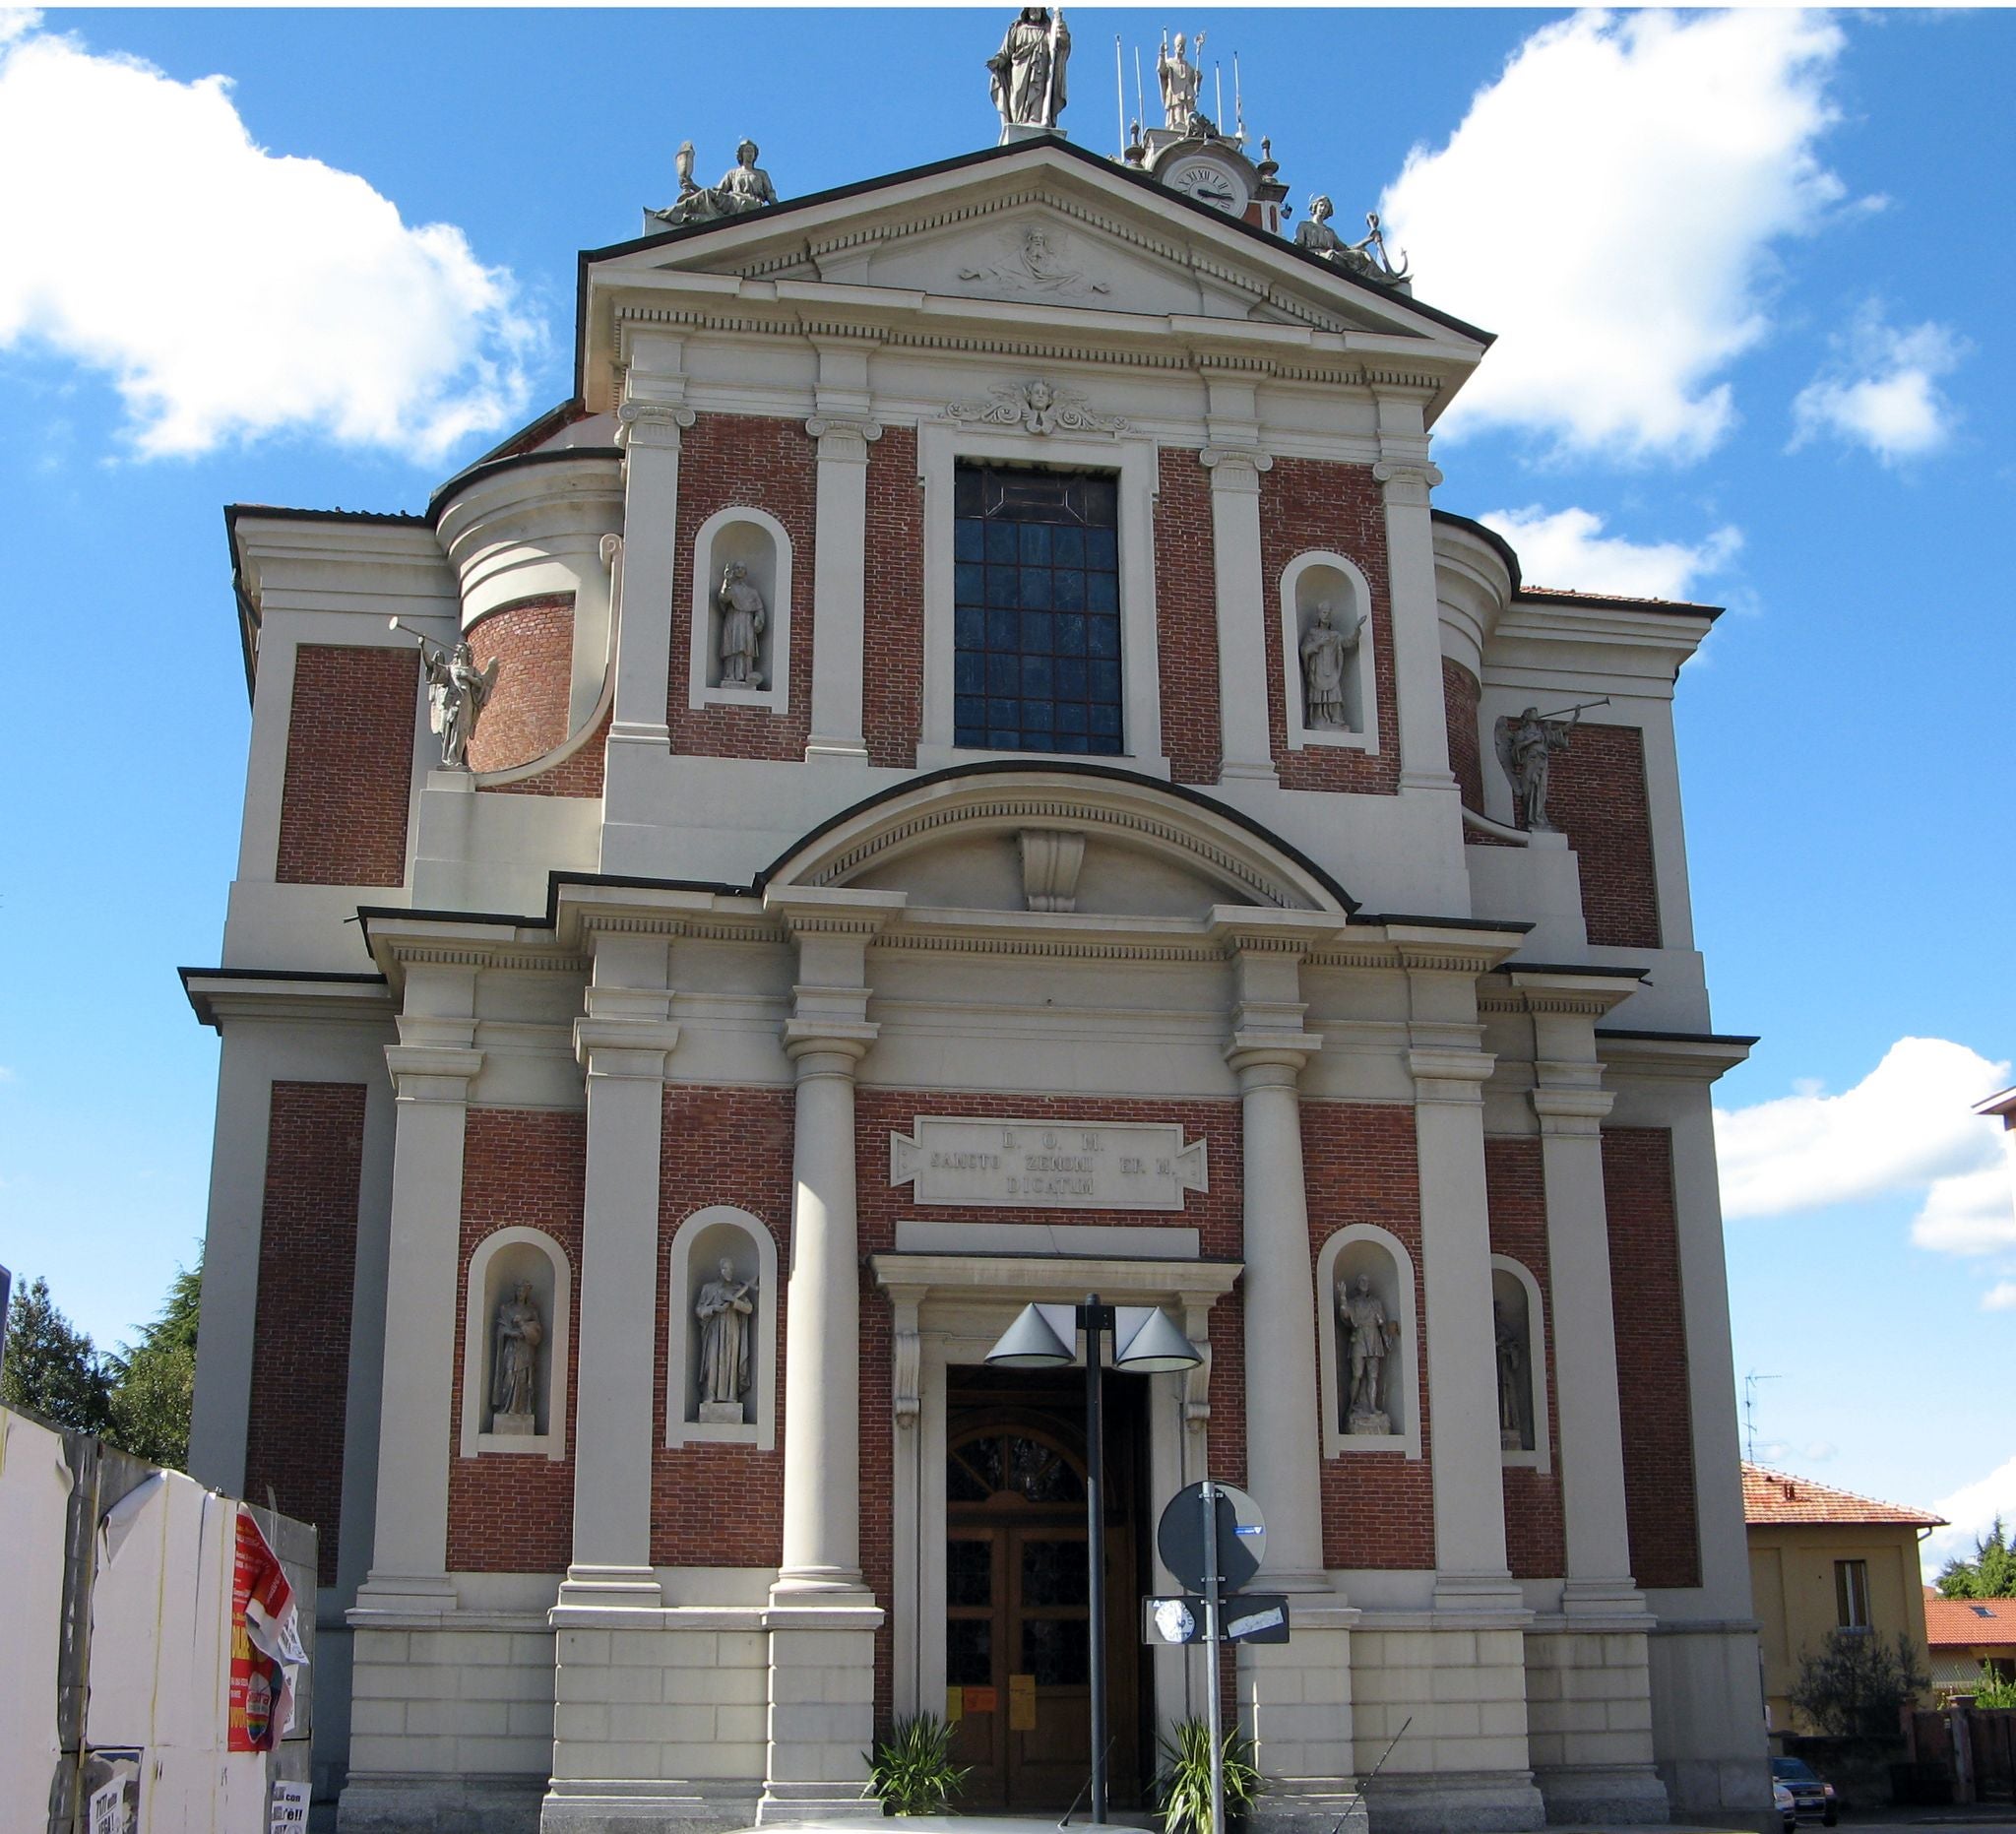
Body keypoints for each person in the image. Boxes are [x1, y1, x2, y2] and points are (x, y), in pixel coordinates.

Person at [988, 7, 1068, 132]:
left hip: (1041, 68)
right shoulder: (1017, 28)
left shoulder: (1049, 29)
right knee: (1018, 94)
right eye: (1032, 8)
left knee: (1038, 94)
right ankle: (1018, 121)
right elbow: (1006, 50)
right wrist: (998, 60)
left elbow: (1062, 43)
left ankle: (1035, 119)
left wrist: (1059, 23)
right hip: (1020, 67)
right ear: (1027, 10)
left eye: (1038, 8)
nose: (1035, 11)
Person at [1499, 705, 1578, 832]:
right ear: (1527, 716)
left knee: (1541, 791)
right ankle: (1531, 819)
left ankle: (1539, 817)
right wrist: (1533, 740)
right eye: (1533, 712)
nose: (1536, 714)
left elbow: (1561, 732)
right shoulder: (1521, 733)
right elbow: (1516, 749)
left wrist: (1575, 717)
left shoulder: (1543, 733)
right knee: (1528, 792)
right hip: (1530, 763)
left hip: (1542, 763)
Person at [425, 639, 498, 769]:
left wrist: (468, 678)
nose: (458, 649)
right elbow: (432, 666)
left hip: (466, 703)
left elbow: (481, 684)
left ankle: (457, 758)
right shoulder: (451, 669)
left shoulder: (472, 670)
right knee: (449, 729)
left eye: (461, 648)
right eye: (457, 648)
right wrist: (423, 647)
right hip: (452, 702)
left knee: (462, 730)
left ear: (467, 652)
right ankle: (451, 759)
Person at [695, 1258, 758, 1405]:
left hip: (732, 1327)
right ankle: (709, 1395)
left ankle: (731, 1395)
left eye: (730, 1269)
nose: (728, 1272)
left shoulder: (737, 1289)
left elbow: (749, 1308)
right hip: (714, 1328)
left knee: (731, 1360)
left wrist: (735, 1302)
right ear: (719, 1270)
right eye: (725, 1269)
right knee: (713, 1359)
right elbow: (699, 1310)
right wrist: (715, 1308)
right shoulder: (708, 1288)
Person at [1299, 601, 1362, 728]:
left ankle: (1335, 719)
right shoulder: (1312, 633)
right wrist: (1318, 644)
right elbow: (1305, 650)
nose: (1326, 615)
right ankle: (1318, 718)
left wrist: (1356, 630)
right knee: (1318, 695)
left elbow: (1348, 642)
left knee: (1334, 694)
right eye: (1324, 612)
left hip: (1332, 670)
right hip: (1317, 670)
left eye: (1328, 613)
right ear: (1319, 614)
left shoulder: (1335, 636)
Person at [1340, 1273, 1394, 1421]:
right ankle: (1351, 1406)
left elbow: (1382, 1323)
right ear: (1357, 1284)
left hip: (1374, 1337)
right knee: (1357, 1374)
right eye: (1361, 1280)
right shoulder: (1353, 1302)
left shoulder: (1376, 1303)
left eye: (1366, 1281)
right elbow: (1345, 1314)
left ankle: (1372, 1407)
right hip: (1359, 1336)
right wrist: (1343, 1296)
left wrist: (1386, 1338)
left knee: (1373, 1376)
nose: (1365, 1283)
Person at [491, 1282, 543, 1419]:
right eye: (519, 1291)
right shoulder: (507, 1308)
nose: (520, 1293)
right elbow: (501, 1328)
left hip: (526, 1350)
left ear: (527, 1293)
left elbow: (537, 1331)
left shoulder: (531, 1311)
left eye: (523, 1291)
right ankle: (506, 1406)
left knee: (523, 1378)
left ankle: (521, 1409)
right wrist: (512, 1333)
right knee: (508, 1375)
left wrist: (524, 1327)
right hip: (511, 1348)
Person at [716, 561, 768, 687]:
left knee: (746, 648)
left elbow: (759, 609)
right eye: (737, 568)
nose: (739, 570)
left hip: (747, 621)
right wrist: (726, 581)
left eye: (742, 568)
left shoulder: (752, 592)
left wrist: (758, 619)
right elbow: (723, 597)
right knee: (732, 646)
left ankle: (745, 674)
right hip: (733, 619)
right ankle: (730, 675)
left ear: (745, 572)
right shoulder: (731, 588)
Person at [1158, 31, 1205, 132]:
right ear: (1175, 48)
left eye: (1183, 46)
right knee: (1177, 116)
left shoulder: (1189, 67)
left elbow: (1195, 86)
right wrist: (1161, 54)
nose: (1181, 48)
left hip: (1187, 96)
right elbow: (1161, 70)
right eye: (1179, 46)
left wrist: (1198, 78)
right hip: (1175, 94)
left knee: (1188, 116)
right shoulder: (1169, 63)